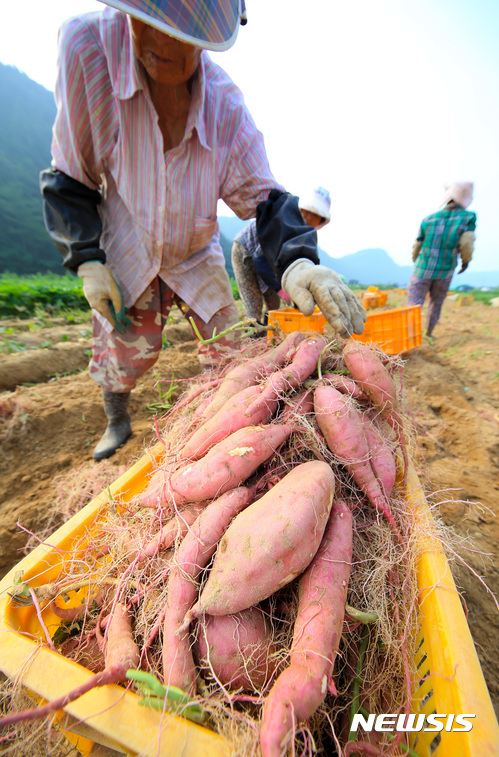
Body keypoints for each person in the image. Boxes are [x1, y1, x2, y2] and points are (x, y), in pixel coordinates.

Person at [40, 0, 365, 461]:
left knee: (231, 350)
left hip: (195, 250)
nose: (160, 41)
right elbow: (72, 174)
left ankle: (223, 426)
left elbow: (265, 199)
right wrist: (87, 258)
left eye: (183, 30)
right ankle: (117, 420)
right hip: (127, 242)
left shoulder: (226, 106)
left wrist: (296, 261)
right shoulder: (87, 49)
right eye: (149, 20)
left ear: (209, 32)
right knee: (123, 354)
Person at [232, 186, 332, 323]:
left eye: (315, 216)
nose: (308, 218)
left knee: (274, 304)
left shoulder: (304, 236)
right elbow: (260, 262)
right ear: (300, 209)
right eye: (307, 213)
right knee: (253, 307)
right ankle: (254, 341)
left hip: (267, 262)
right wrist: (280, 289)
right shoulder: (285, 222)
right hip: (245, 250)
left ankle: (269, 338)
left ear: (320, 221)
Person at [407, 182, 476, 342]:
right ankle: (429, 333)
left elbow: (418, 244)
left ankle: (410, 336)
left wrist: (415, 260)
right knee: (436, 303)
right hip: (445, 271)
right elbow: (467, 242)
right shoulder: (468, 217)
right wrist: (465, 261)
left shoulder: (429, 219)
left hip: (422, 270)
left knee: (414, 304)